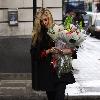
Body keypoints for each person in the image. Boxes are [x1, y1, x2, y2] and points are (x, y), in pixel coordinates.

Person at [30, 8, 76, 100]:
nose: (44, 23)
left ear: (50, 18)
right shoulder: (38, 36)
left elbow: (73, 51)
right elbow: (34, 54)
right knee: (51, 97)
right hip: (47, 74)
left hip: (61, 70)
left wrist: (68, 50)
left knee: (59, 97)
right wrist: (48, 51)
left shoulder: (60, 30)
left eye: (45, 19)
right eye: (41, 21)